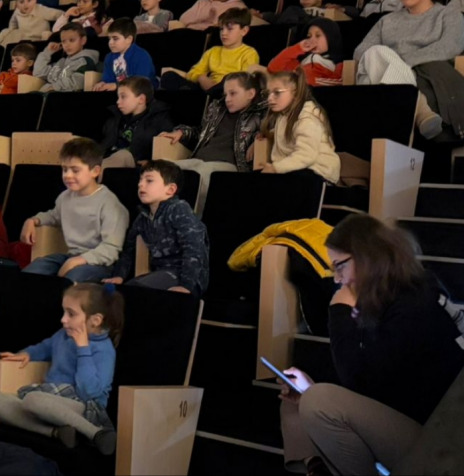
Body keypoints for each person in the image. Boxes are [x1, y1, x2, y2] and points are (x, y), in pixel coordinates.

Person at [276, 215, 464, 476]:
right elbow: (374, 375)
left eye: (339, 266)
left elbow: (361, 380)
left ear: (365, 256)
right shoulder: (388, 297)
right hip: (406, 415)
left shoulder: (415, 301)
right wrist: (308, 387)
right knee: (298, 401)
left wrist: (339, 311)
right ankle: (316, 468)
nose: (337, 280)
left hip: (442, 442)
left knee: (318, 401)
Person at [0, 283, 123, 454]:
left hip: (84, 406)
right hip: (50, 400)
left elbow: (88, 392)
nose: (63, 319)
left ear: (95, 321)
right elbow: (45, 348)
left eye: (71, 314)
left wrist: (83, 348)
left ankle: (96, 433)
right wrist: (27, 354)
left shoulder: (104, 350)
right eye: (64, 312)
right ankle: (57, 432)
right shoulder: (63, 334)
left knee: (34, 400)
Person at [354, 0, 464, 139]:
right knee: (374, 52)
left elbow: (449, 47)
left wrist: (398, 62)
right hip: (387, 72)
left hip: (425, 73)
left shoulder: (448, 15)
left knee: (374, 65)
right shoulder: (387, 20)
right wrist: (390, 61)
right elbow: (361, 51)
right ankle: (421, 110)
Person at [157, 72, 268, 214]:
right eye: (225, 94)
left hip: (230, 164)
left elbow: (271, 129)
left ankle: (194, 223)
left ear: (251, 93)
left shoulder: (260, 112)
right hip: (200, 158)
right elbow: (200, 132)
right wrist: (182, 132)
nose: (227, 99)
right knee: (162, 169)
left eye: (233, 93)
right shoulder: (217, 108)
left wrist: (261, 135)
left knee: (203, 171)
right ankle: (159, 219)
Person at [22, 138, 128, 281]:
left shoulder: (110, 204)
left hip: (100, 263)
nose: (67, 175)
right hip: (71, 256)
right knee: (34, 269)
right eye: (65, 169)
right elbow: (54, 216)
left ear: (95, 171)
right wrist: (33, 220)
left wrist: (77, 261)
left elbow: (110, 249)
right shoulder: (65, 197)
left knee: (72, 280)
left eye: (75, 170)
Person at [104, 161, 209, 295]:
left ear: (170, 189)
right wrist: (119, 276)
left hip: (186, 277)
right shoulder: (143, 217)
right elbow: (128, 250)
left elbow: (194, 249)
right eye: (140, 180)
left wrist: (186, 286)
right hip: (161, 273)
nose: (140, 184)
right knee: (116, 291)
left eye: (149, 180)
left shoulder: (178, 209)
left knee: (133, 291)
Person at [260, 70, 342, 183]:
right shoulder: (284, 115)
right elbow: (285, 135)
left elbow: (306, 155)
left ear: (295, 93)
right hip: (296, 168)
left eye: (277, 92)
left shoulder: (307, 119)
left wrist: (275, 168)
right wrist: (267, 134)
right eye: (267, 93)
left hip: (318, 171)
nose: (270, 98)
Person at [163, 9, 258, 91]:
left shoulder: (249, 53)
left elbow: (245, 80)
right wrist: (201, 78)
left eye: (229, 29)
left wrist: (218, 85)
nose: (224, 33)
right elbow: (194, 72)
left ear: (244, 31)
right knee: (169, 76)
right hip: (206, 87)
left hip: (229, 90)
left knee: (229, 82)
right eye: (221, 29)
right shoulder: (213, 51)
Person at [99, 77, 174, 168]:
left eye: (123, 97)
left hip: (134, 164)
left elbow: (165, 147)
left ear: (141, 99)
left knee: (123, 155)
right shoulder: (115, 116)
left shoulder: (159, 118)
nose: (118, 102)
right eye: (118, 97)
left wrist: (152, 163)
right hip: (109, 160)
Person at [268, 19, 345, 87]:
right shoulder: (299, 64)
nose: (312, 40)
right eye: (309, 36)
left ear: (331, 38)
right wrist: (298, 48)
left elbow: (338, 84)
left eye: (318, 35)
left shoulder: (340, 66)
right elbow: (273, 68)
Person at [34, 24, 99, 93]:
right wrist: (47, 52)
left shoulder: (85, 61)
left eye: (72, 40)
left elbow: (78, 82)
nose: (67, 45)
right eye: (63, 41)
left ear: (83, 40)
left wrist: (53, 87)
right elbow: (38, 73)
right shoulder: (61, 62)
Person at [96, 19, 156, 90]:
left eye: (115, 38)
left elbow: (141, 83)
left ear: (129, 39)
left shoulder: (142, 56)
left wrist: (116, 86)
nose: (110, 42)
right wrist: (103, 83)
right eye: (109, 39)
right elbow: (108, 78)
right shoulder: (109, 57)